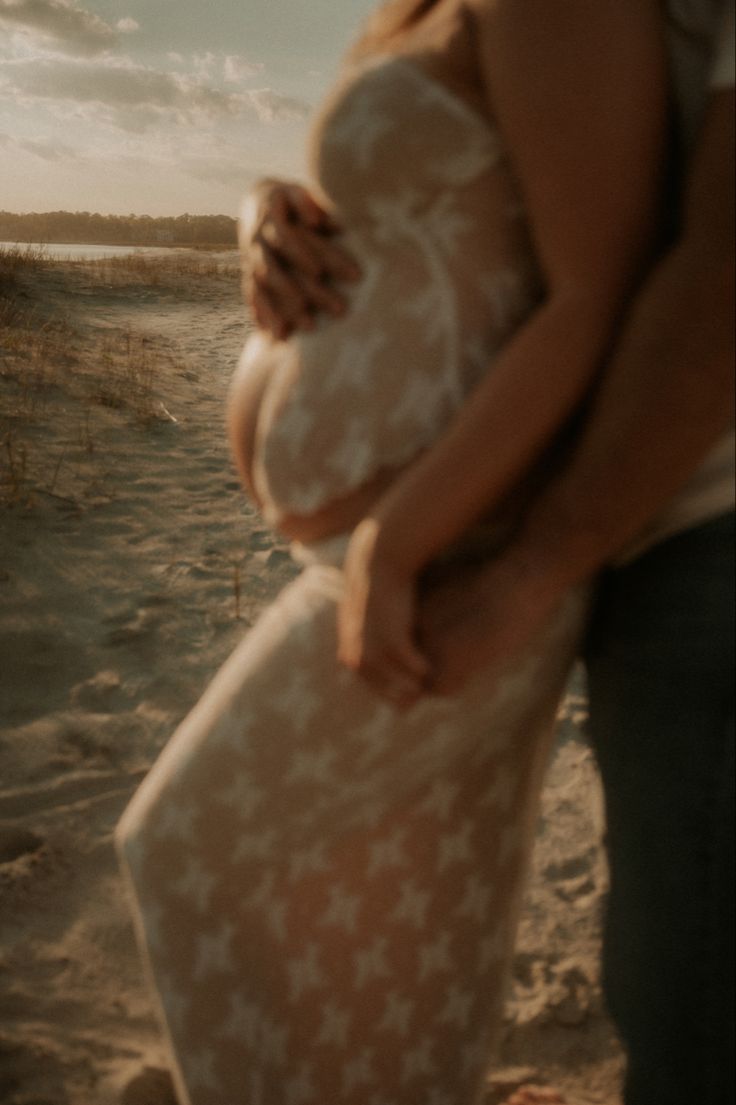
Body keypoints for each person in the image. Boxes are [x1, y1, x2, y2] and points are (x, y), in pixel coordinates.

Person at [115, 2, 668, 1102]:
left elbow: (593, 296)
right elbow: (408, 205)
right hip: (391, 554)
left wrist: (398, 542)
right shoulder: (410, 9)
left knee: (184, 851)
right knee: (405, 952)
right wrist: (261, 211)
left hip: (446, 559)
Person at [246, 1, 735, 1102]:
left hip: (676, 535)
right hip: (618, 532)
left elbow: (694, 270)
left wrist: (512, 562)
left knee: (692, 1021)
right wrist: (261, 212)